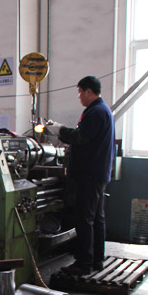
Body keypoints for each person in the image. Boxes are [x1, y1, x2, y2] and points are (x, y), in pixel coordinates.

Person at [47, 76, 115, 275]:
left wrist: (60, 130)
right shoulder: (103, 111)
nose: (79, 97)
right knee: (97, 218)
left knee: (84, 219)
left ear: (88, 91)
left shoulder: (96, 112)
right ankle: (96, 259)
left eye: (80, 92)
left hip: (89, 175)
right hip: (97, 173)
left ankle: (83, 263)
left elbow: (81, 137)